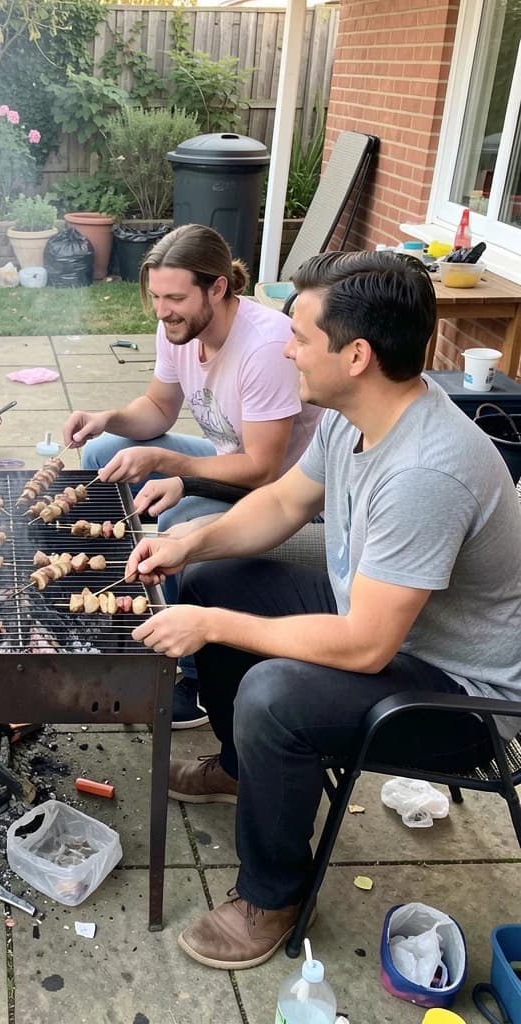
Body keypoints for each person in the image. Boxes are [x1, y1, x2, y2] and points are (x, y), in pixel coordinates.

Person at [125, 250, 521, 970]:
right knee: (215, 575)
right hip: (382, 621)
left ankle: (272, 893)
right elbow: (282, 502)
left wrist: (210, 628)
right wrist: (191, 541)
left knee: (273, 693)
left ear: (358, 354)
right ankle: (247, 769)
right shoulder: (350, 413)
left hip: (462, 698)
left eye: (302, 337)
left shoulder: (427, 470)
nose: (285, 347)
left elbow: (365, 648)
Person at [62, 224, 321, 727]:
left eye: (176, 297)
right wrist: (106, 420)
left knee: (179, 515)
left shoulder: (265, 348)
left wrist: (173, 467)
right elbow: (158, 409)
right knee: (106, 454)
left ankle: (188, 677)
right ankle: (123, 594)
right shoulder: (178, 328)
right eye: (156, 296)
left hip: (285, 494)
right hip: (229, 459)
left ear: (218, 288)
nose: (162, 310)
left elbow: (262, 468)